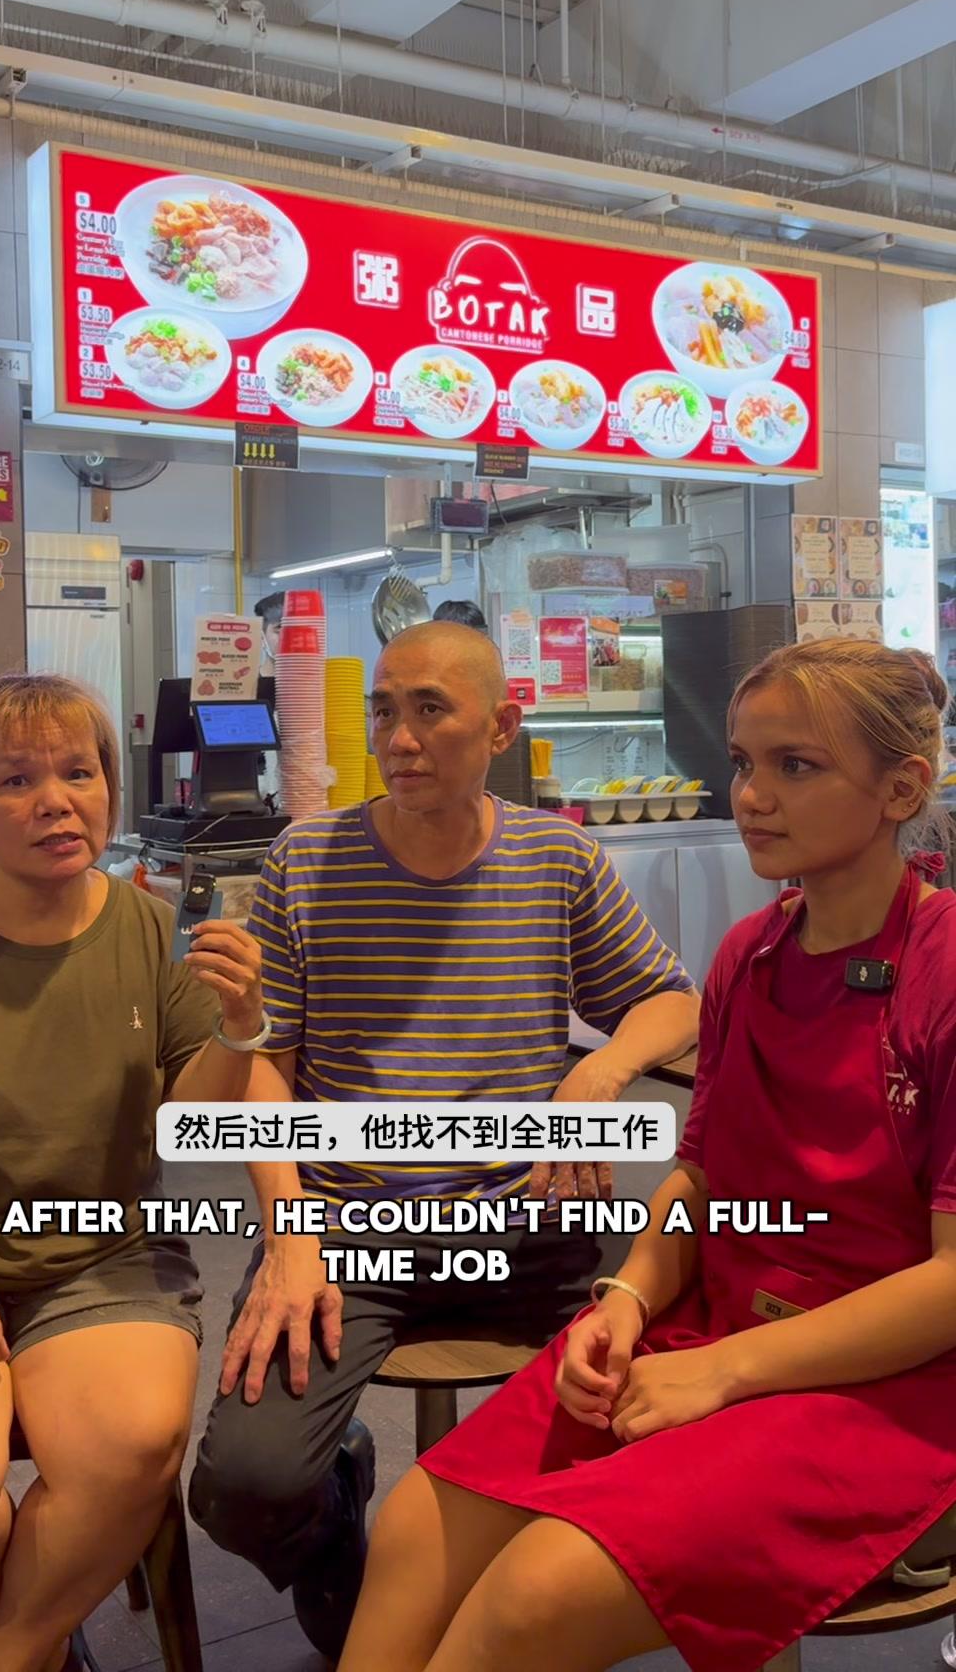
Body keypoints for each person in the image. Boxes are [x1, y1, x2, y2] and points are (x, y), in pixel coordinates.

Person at [338, 637, 956, 1672]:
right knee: (413, 1529)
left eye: (795, 766)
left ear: (902, 789)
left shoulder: (943, 973)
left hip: (892, 1386)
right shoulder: (749, 956)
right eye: (744, 762)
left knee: (533, 1595)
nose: (752, 795)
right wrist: (626, 1299)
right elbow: (701, 1178)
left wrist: (726, 1371)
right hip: (711, 1329)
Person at [190, 620, 700, 1659]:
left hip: (531, 1221)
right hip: (349, 1227)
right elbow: (265, 1060)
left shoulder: (557, 859)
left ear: (502, 727)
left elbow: (671, 1001)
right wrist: (289, 1231)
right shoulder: (308, 858)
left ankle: (502, 1603)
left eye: (431, 709)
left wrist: (597, 1072)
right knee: (243, 1486)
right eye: (385, 710)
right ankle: (339, 1524)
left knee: (669, 1417)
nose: (400, 737)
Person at [0, 673, 268, 1672]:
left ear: (109, 789)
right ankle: (38, 1630)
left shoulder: (155, 930)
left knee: (134, 1445)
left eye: (78, 773)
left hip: (101, 1260)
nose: (55, 800)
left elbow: (190, 1124)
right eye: (17, 780)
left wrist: (239, 1025)